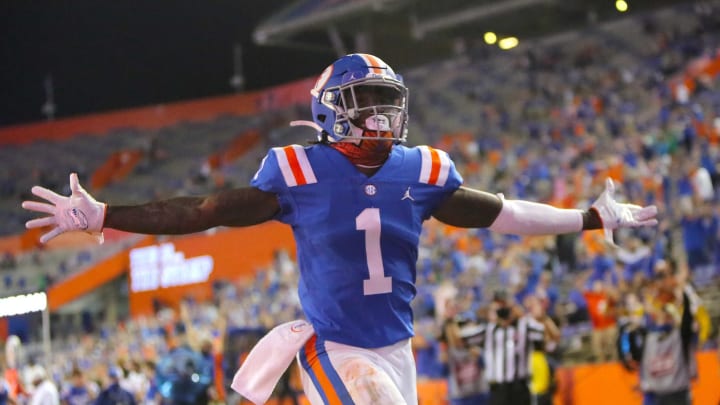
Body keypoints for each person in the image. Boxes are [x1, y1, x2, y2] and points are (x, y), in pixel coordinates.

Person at [22, 53, 658, 405]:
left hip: (395, 346)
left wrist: (592, 216)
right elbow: (203, 211)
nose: (381, 117)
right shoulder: (299, 171)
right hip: (334, 345)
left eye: (388, 104)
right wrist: (106, 216)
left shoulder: (422, 169)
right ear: (331, 114)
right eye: (365, 105)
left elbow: (504, 213)